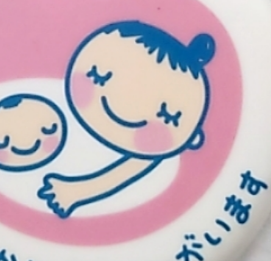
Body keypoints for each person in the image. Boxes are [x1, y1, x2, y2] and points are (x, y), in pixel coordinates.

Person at [37, 21, 214, 218]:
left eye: (167, 116)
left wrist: (74, 192)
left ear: (191, 135)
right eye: (100, 77)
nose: (123, 110)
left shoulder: (145, 161)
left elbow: (119, 175)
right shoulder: (48, 105)